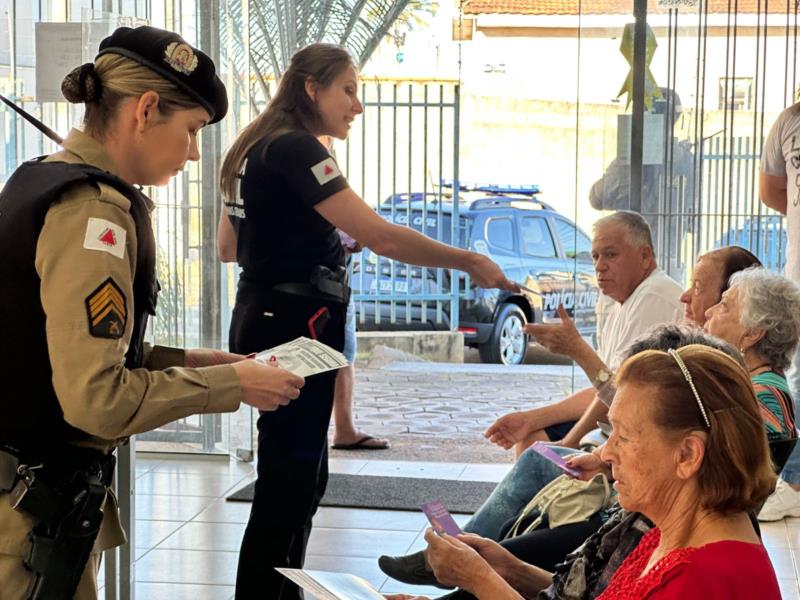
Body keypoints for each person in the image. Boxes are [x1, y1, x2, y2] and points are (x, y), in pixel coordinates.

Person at [0, 26, 304, 600]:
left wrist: (191, 360)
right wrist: (230, 383)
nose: (193, 153)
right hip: (23, 529)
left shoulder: (37, 176)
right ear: (144, 111)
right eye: (190, 130)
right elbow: (97, 401)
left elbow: (41, 347)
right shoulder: (94, 212)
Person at [217, 43, 517, 600]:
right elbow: (380, 233)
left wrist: (323, 243)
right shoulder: (297, 148)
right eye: (348, 91)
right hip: (292, 324)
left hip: (275, 314)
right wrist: (469, 260)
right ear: (312, 88)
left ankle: (284, 593)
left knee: (300, 474)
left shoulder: (262, 146)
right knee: (291, 478)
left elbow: (237, 245)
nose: (357, 106)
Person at [384, 344, 782, 600]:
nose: (606, 453)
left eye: (623, 437)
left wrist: (481, 581)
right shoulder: (674, 532)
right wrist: (508, 569)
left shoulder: (701, 578)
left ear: (688, 455)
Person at [589, 88, 694, 281]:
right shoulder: (687, 161)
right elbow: (693, 221)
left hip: (631, 262)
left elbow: (597, 198)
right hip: (669, 261)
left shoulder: (632, 160)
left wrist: (625, 163)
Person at [758, 102, 800, 520]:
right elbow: (772, 190)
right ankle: (795, 483)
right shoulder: (790, 120)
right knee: (798, 375)